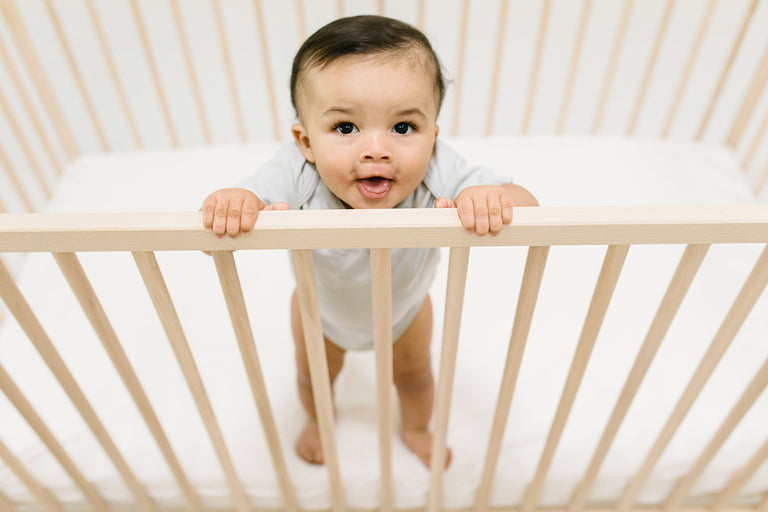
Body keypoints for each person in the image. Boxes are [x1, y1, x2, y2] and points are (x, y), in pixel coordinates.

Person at [201, 15, 538, 468]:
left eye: (403, 128)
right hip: (320, 314)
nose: (376, 149)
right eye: (345, 128)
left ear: (433, 137)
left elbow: (531, 210)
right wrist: (235, 206)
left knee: (416, 377)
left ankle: (417, 427)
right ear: (305, 141)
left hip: (406, 312)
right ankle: (320, 421)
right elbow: (244, 206)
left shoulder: (439, 168)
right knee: (313, 378)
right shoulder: (297, 171)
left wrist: (491, 197)